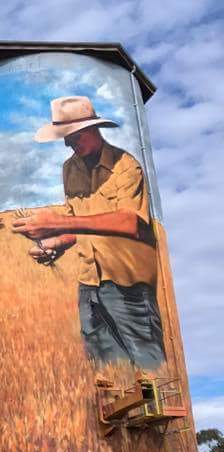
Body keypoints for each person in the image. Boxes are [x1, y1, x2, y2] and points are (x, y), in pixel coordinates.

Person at [11, 96, 165, 369]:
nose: (68, 144)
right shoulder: (69, 169)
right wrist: (55, 244)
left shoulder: (126, 166)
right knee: (106, 368)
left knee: (147, 362)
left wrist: (57, 224)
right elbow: (78, 224)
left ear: (94, 129)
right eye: (65, 138)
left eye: (74, 137)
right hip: (89, 283)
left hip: (127, 283)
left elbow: (129, 222)